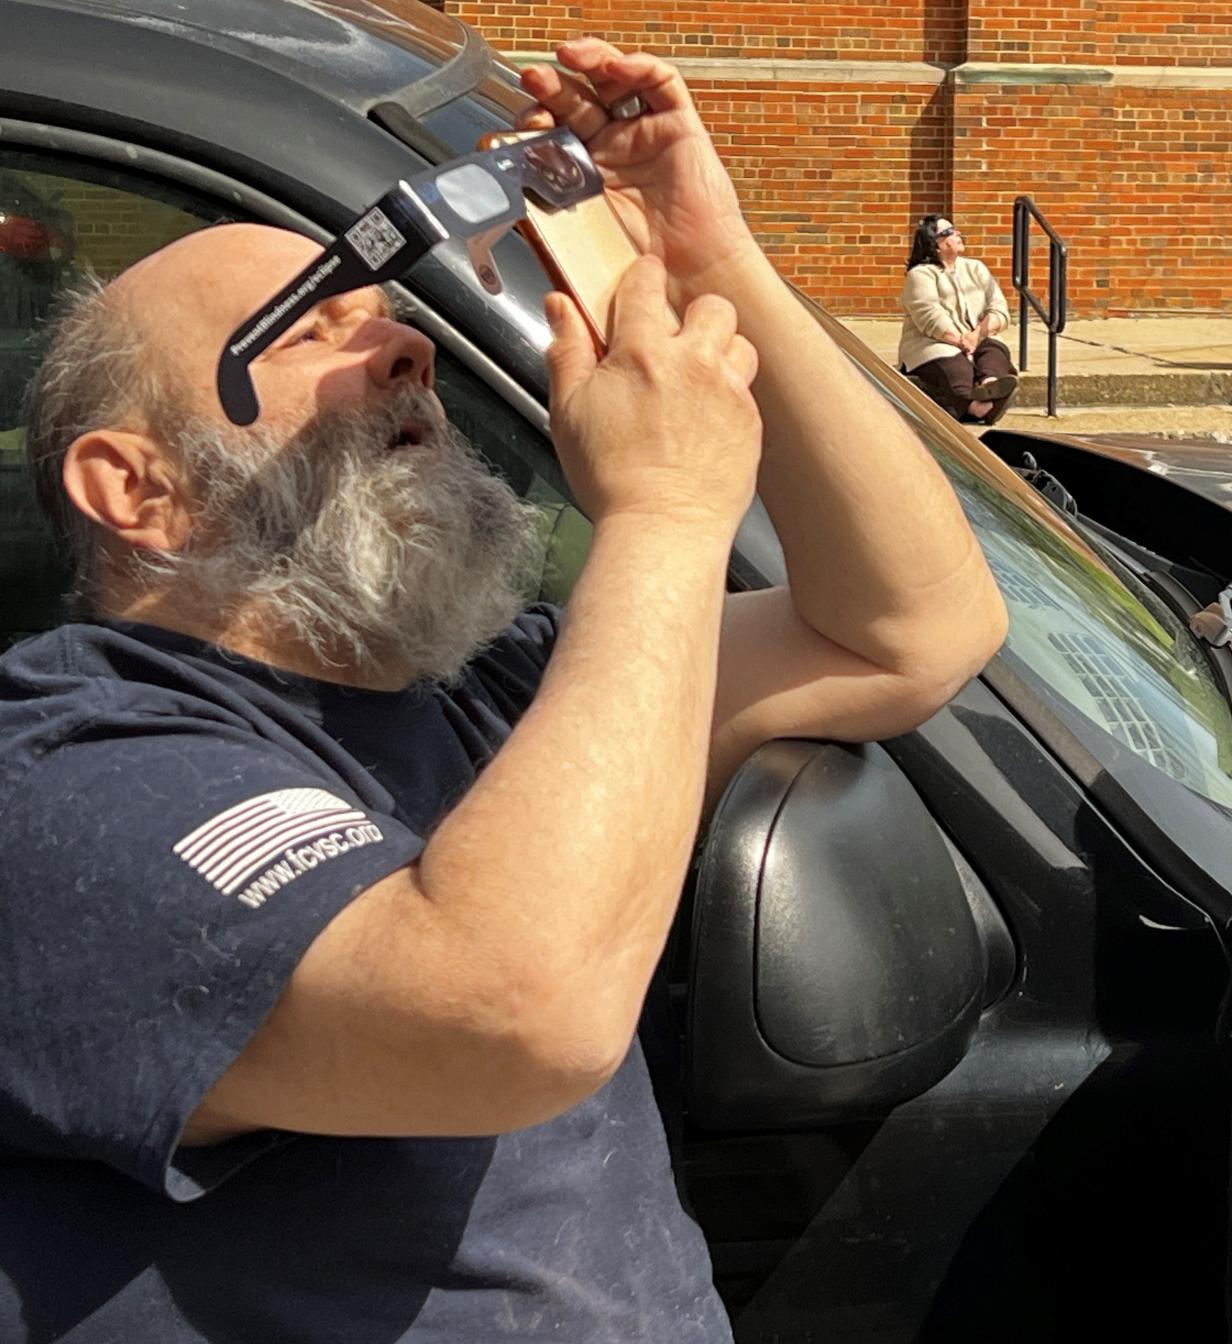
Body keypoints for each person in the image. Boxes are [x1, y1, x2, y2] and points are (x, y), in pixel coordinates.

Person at [0, 39, 1008, 1344]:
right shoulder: (65, 780)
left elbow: (912, 628)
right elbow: (508, 1012)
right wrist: (660, 509)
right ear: (138, 489)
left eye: (389, 315)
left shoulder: (494, 694)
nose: (405, 348)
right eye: (310, 328)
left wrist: (715, 266)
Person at [899, 214, 1018, 425]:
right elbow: (930, 317)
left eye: (955, 229)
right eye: (949, 232)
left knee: (995, 351)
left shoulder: (976, 268)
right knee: (958, 366)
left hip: (976, 338)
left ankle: (989, 386)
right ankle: (977, 408)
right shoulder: (920, 275)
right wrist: (962, 343)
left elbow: (998, 308)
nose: (957, 234)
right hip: (932, 344)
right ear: (934, 244)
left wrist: (976, 336)